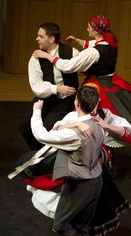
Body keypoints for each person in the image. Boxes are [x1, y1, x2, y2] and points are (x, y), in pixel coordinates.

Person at [9, 85, 131, 236]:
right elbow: (124, 130)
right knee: (82, 227)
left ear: (76, 102)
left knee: (61, 226)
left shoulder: (75, 131)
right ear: (96, 104)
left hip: (80, 183)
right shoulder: (99, 123)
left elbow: (41, 135)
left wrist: (37, 111)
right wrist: (85, 124)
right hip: (96, 180)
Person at [32, 15, 131, 170]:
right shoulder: (109, 41)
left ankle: (97, 153)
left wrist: (47, 56)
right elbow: (95, 46)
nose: (87, 29)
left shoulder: (94, 53)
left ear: (96, 30)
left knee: (94, 118)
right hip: (111, 82)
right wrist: (80, 42)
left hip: (99, 87)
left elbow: (69, 66)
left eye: (89, 27)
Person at [18, 22, 79, 150]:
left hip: (64, 100)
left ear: (51, 39)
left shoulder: (71, 53)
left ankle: (45, 160)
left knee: (46, 130)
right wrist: (57, 88)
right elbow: (36, 86)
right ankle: (37, 154)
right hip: (45, 97)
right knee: (25, 125)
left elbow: (86, 66)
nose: (37, 39)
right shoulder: (36, 57)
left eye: (40, 36)